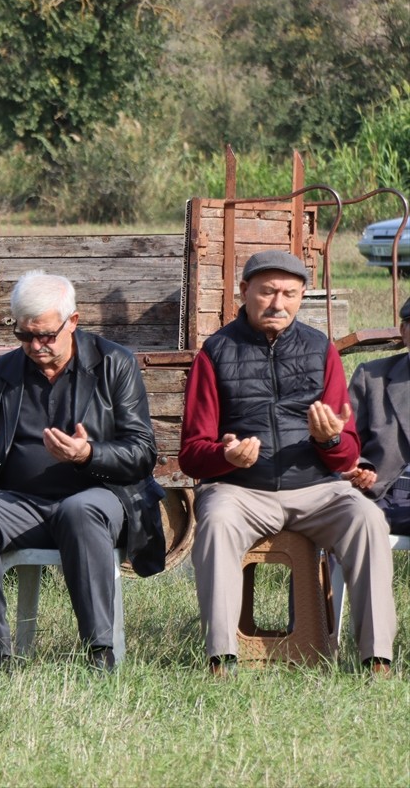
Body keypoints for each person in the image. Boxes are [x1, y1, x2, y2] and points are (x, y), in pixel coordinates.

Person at [178, 249, 396, 676]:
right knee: (217, 521)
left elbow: (347, 452)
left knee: (367, 518)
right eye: (268, 292)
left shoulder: (321, 350)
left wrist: (328, 438)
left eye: (290, 294)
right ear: (245, 292)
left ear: (302, 297)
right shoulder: (215, 353)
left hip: (317, 489)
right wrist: (225, 456)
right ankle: (221, 658)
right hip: (240, 490)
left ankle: (377, 659)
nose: (278, 304)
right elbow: (191, 454)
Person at [0, 272, 164, 673]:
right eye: (25, 337)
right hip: (22, 504)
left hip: (101, 498)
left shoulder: (114, 364)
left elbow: (142, 454)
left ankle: (99, 653)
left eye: (45, 335)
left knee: (79, 511)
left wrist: (88, 454)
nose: (35, 346)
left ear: (73, 322)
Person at [345, 296, 410, 536]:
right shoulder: (371, 377)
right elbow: (346, 440)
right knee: (335, 519)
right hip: (376, 495)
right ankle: (317, 576)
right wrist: (357, 466)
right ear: (404, 331)